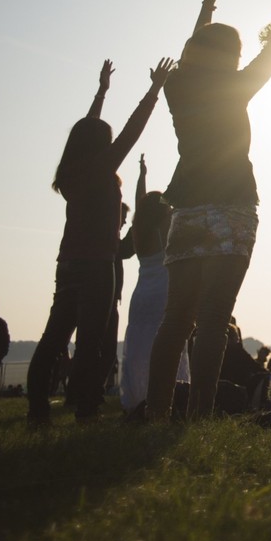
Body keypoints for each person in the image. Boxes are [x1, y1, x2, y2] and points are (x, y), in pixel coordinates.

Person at [146, 0, 271, 421]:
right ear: (230, 58)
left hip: (187, 210)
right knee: (213, 319)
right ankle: (199, 414)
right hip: (231, 207)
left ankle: (156, 415)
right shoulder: (235, 87)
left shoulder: (177, 88)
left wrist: (207, 7)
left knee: (176, 320)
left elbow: (192, 51)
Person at [29, 57, 173, 424]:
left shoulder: (71, 171)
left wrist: (102, 91)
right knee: (93, 338)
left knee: (54, 336)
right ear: (98, 145)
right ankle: (87, 408)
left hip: (69, 263)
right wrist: (155, 89)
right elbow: (132, 130)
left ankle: (37, 410)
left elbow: (85, 132)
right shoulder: (99, 169)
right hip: (96, 265)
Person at [119, 155, 188, 411]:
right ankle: (170, 394)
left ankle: (138, 398)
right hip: (163, 291)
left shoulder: (140, 230)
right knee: (167, 344)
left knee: (140, 346)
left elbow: (140, 203)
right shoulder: (166, 225)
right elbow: (176, 201)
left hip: (141, 295)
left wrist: (142, 176)